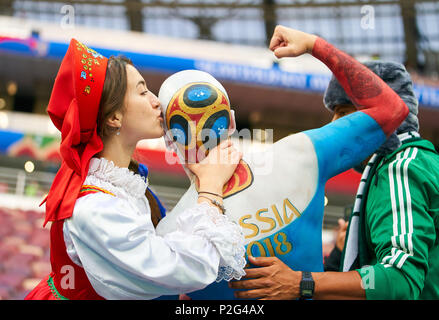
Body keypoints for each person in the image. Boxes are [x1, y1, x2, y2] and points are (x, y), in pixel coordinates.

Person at [154, 25, 410, 299]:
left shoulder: (171, 236)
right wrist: (315, 46)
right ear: (230, 121)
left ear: (169, 140)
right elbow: (391, 109)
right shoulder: (300, 155)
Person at [25, 38, 246, 300]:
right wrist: (210, 189)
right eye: (143, 92)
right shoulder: (95, 207)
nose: (157, 102)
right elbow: (183, 268)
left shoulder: (120, 186)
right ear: (114, 117)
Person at [230, 60, 439, 300]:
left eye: (343, 113)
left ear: (376, 116)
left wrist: (301, 282)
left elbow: (400, 278)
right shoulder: (404, 164)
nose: (334, 124)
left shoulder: (401, 165)